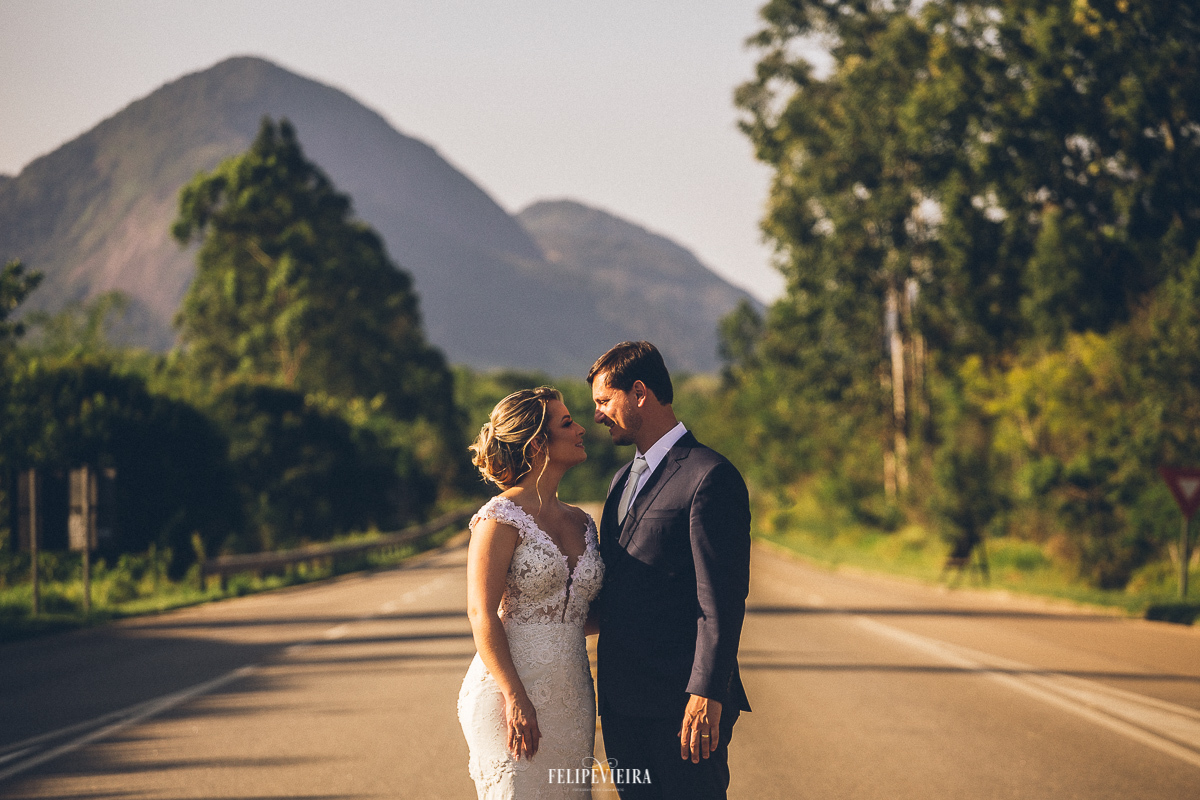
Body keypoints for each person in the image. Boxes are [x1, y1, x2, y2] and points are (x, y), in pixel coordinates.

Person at [589, 341, 752, 800]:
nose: (598, 416)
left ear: (639, 392)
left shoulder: (710, 476)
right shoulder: (620, 480)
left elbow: (720, 600)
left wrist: (706, 692)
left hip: (683, 705)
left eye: (604, 402)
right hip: (622, 705)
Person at [458, 387, 606, 799]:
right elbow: (481, 613)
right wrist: (515, 697)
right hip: (507, 693)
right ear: (539, 444)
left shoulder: (583, 523)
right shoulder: (499, 519)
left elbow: (577, 614)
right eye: (567, 423)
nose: (581, 429)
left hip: (572, 696)